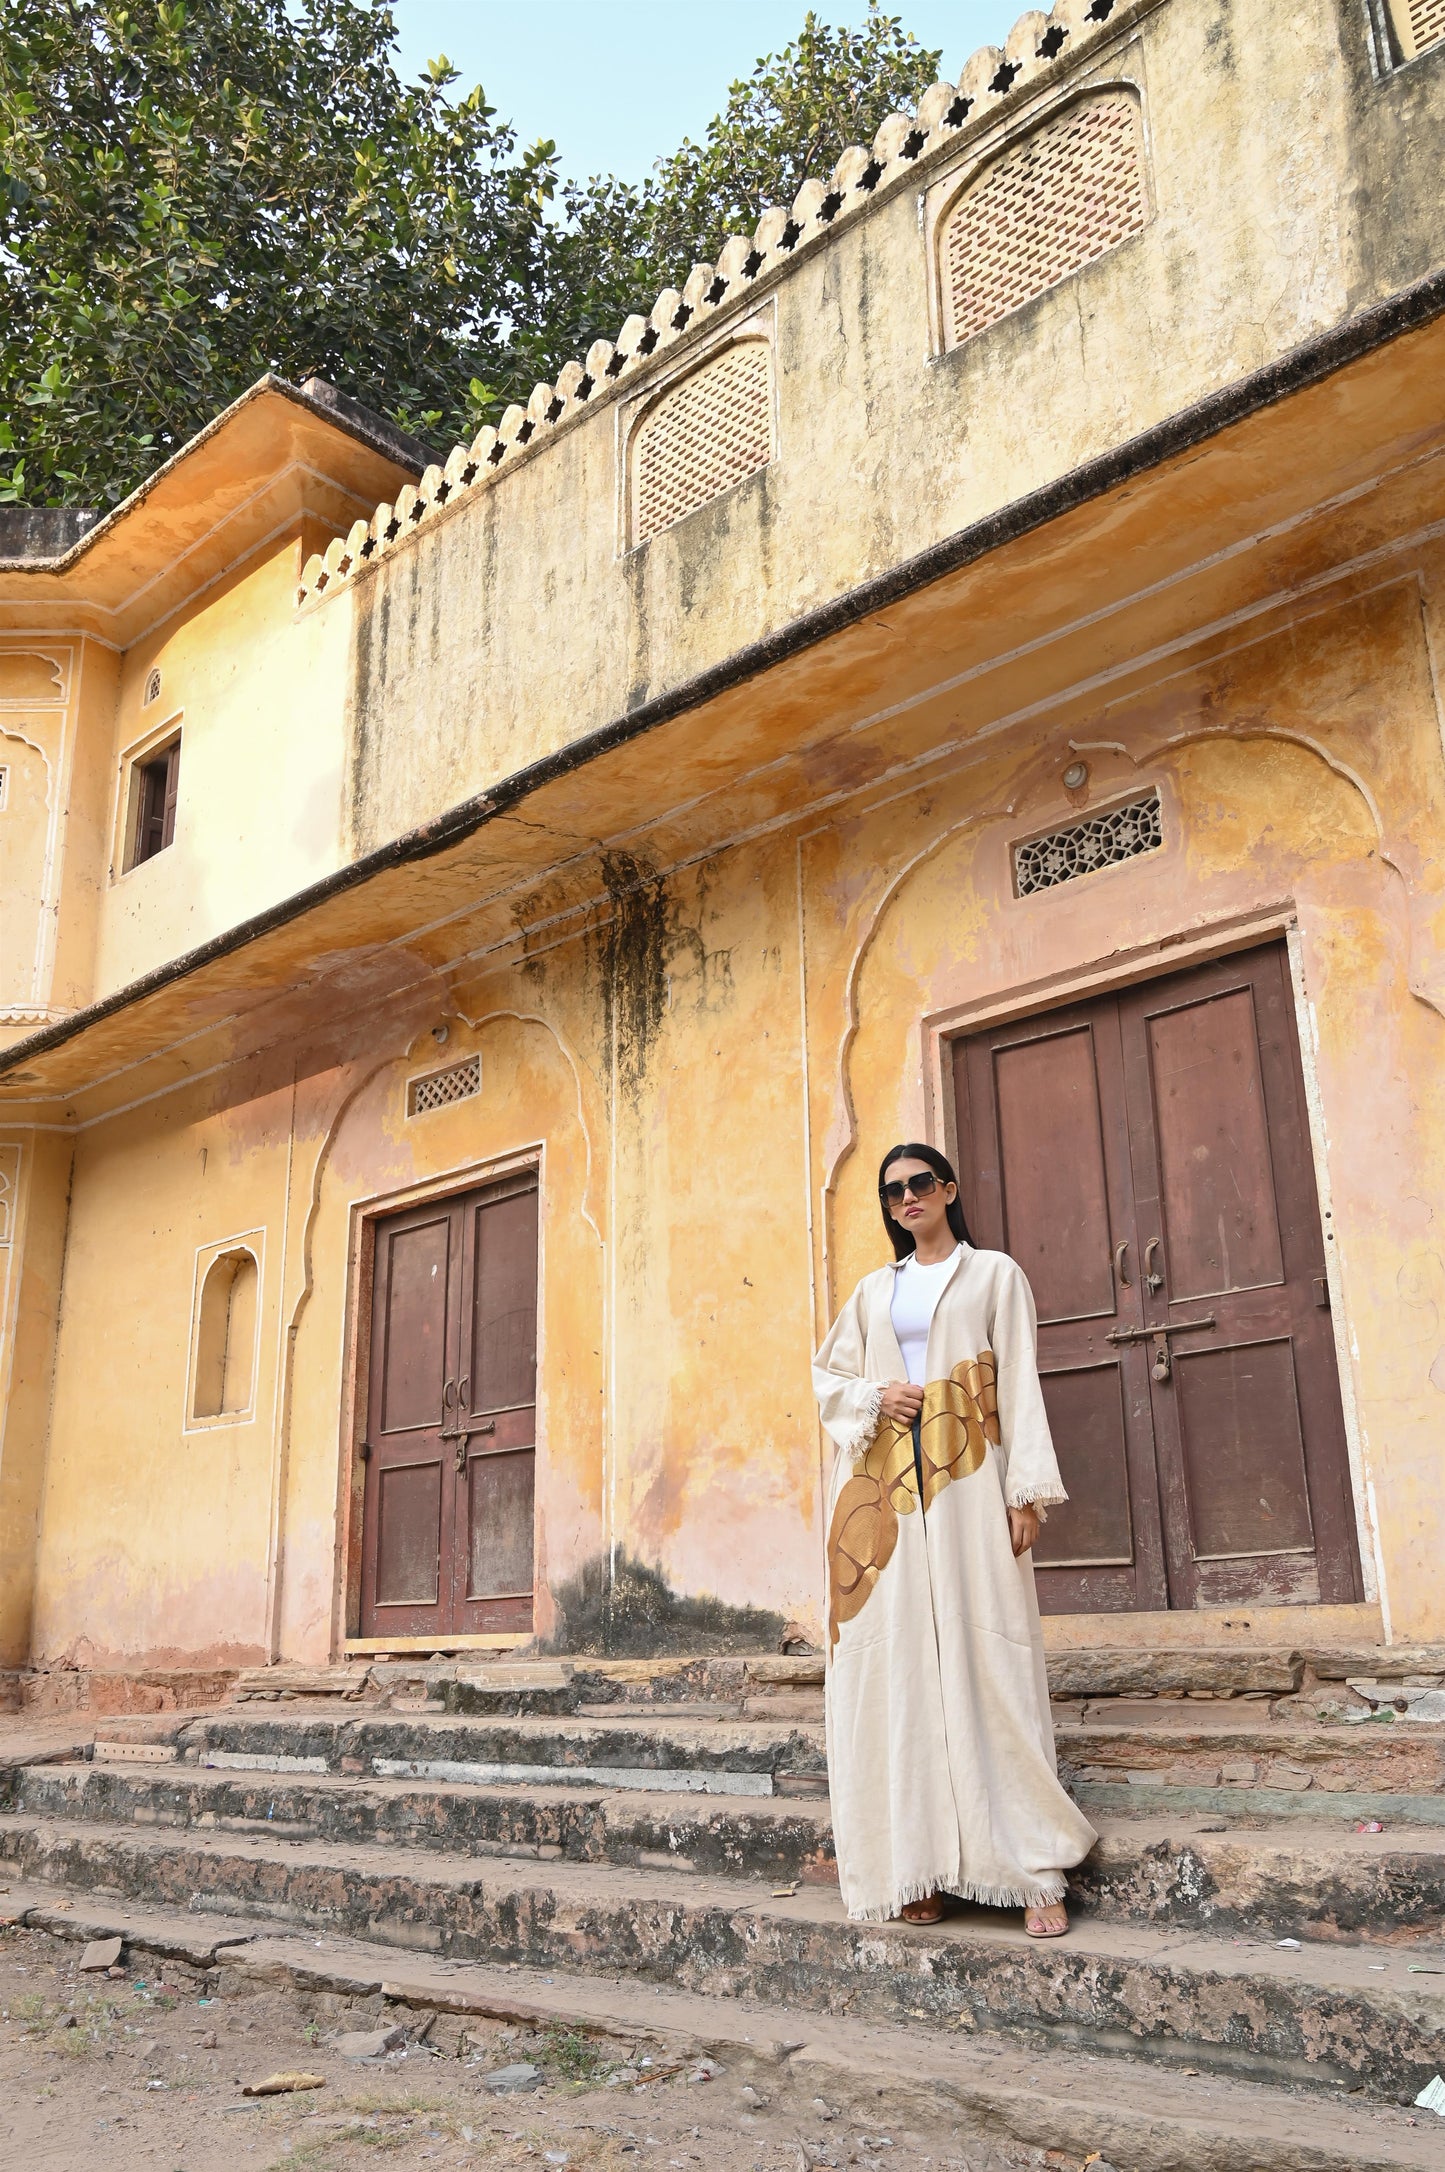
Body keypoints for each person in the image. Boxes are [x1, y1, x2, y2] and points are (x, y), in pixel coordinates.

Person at [812, 1141, 1096, 1933]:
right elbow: (827, 1378)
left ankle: (1031, 1869)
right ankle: (917, 1862)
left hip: (971, 1486)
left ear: (947, 1190)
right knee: (896, 1667)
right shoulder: (874, 1291)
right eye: (892, 1190)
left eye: (919, 1184)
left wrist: (1025, 1492)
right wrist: (879, 1393)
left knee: (986, 1656)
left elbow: (1020, 1381)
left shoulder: (994, 1275)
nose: (906, 1198)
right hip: (883, 1499)